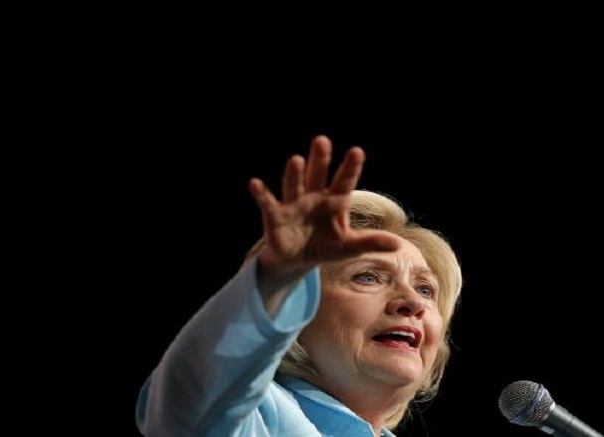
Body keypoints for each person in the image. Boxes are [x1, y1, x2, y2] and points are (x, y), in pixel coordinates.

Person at [135, 135, 463, 436]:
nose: (413, 302)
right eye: (368, 276)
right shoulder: (257, 419)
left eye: (425, 289)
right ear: (297, 314)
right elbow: (187, 404)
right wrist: (273, 282)